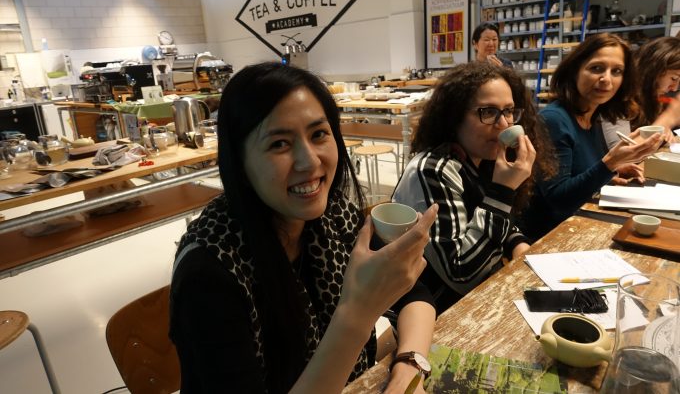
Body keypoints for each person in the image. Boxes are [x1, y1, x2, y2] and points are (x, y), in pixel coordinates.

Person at [169, 62, 438, 394]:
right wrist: (357, 312)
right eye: (279, 144)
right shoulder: (209, 273)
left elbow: (414, 294)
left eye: (318, 134)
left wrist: (409, 367)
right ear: (239, 162)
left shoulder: (334, 215)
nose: (310, 161)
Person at [392, 62, 556, 314]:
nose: (504, 124)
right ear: (454, 117)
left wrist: (519, 246)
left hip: (485, 292)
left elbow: (494, 220)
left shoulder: (480, 157)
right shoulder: (433, 170)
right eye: (488, 112)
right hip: (438, 311)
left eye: (509, 111)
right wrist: (503, 191)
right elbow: (462, 275)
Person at [521, 33, 663, 241]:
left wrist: (612, 171)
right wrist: (609, 164)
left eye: (616, 71)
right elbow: (558, 199)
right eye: (596, 68)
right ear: (575, 71)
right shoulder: (553, 119)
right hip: (550, 237)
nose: (606, 79)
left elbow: (578, 171)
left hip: (577, 223)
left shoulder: (592, 116)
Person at [601, 36, 680, 147]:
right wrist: (668, 119)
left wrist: (664, 135)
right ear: (655, 69)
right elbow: (621, 150)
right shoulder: (619, 92)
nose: (674, 88)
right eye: (674, 78)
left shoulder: (652, 96)